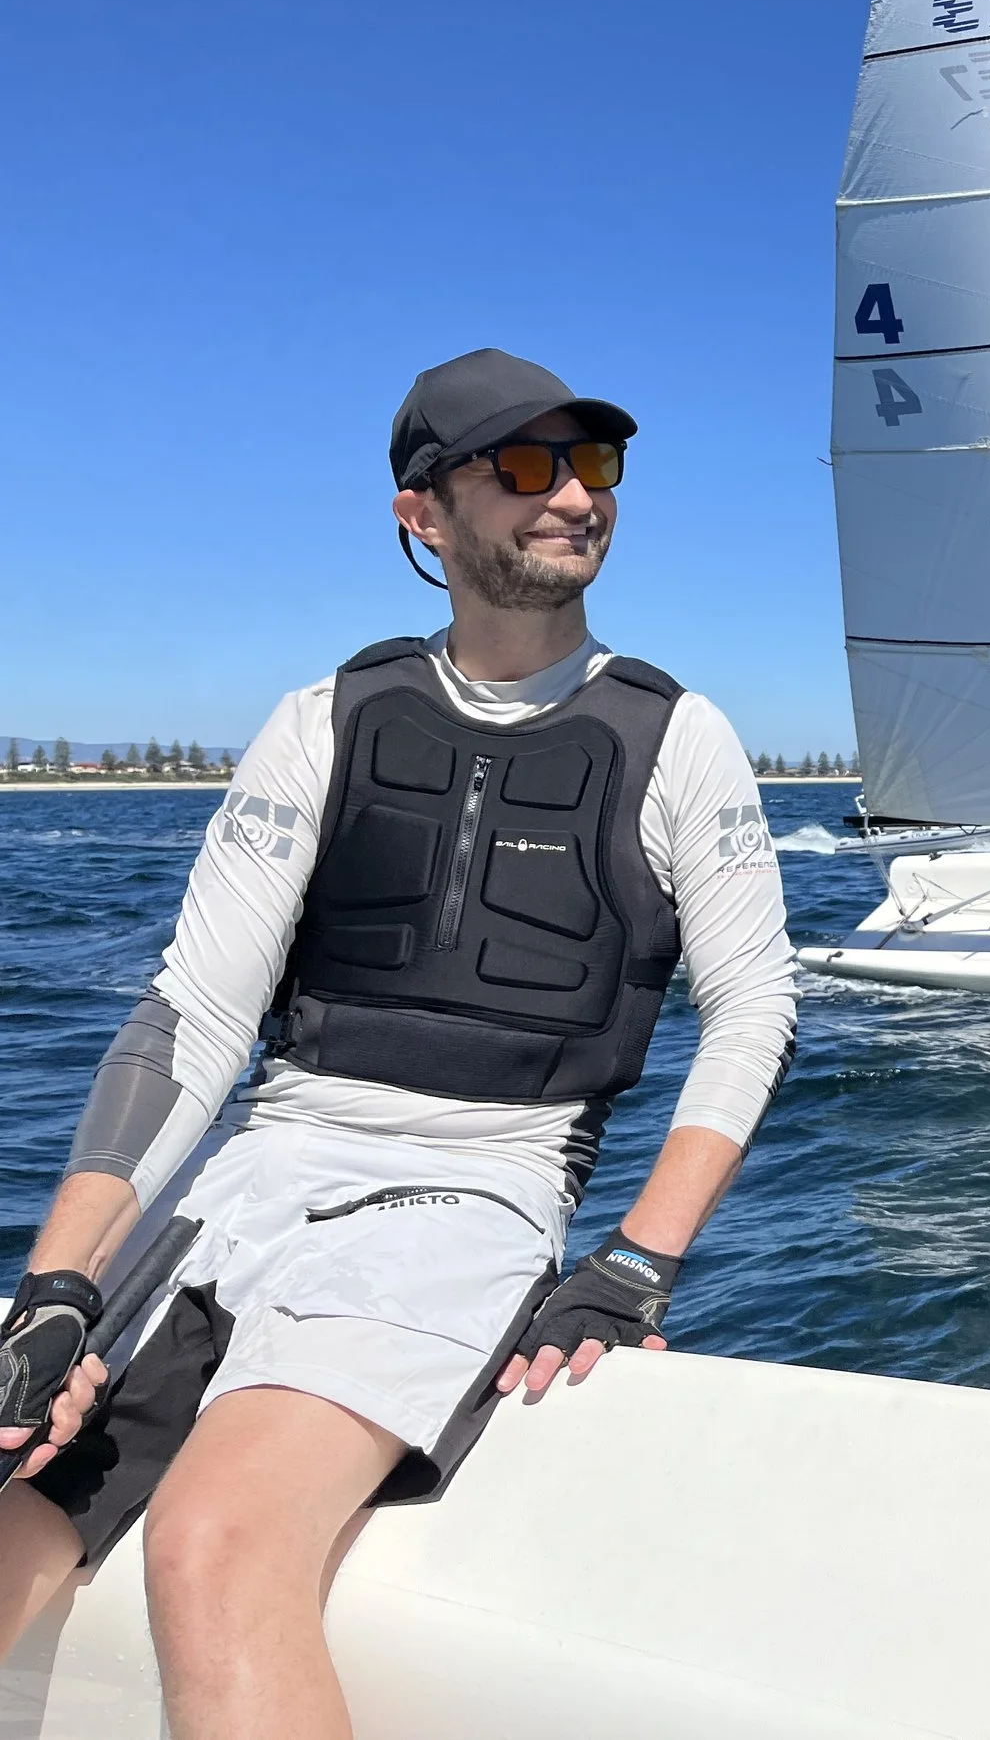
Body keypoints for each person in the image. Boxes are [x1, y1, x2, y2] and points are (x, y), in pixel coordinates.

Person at [0, 348, 799, 1738]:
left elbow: (754, 1008)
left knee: (211, 1546)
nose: (575, 496)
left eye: (595, 462)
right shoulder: (325, 720)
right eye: (528, 466)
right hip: (254, 1178)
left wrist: (637, 1259)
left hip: (478, 1188)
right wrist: (57, 1285)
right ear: (421, 513)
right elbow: (193, 1014)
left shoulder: (677, 738)